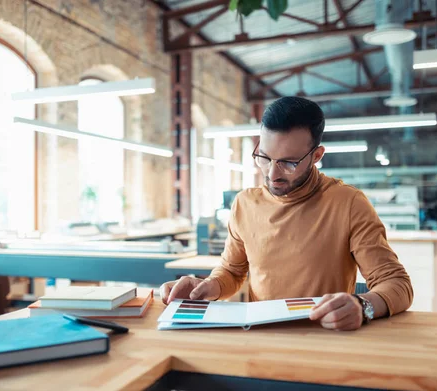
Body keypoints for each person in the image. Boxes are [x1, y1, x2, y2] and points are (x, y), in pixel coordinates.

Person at [160, 96, 413, 331]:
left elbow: (397, 284)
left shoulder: (348, 203)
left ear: (316, 155)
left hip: (324, 338)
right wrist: (207, 287)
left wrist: (363, 306)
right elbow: (232, 272)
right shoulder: (244, 204)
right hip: (260, 338)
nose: (272, 174)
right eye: (264, 158)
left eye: (289, 162)